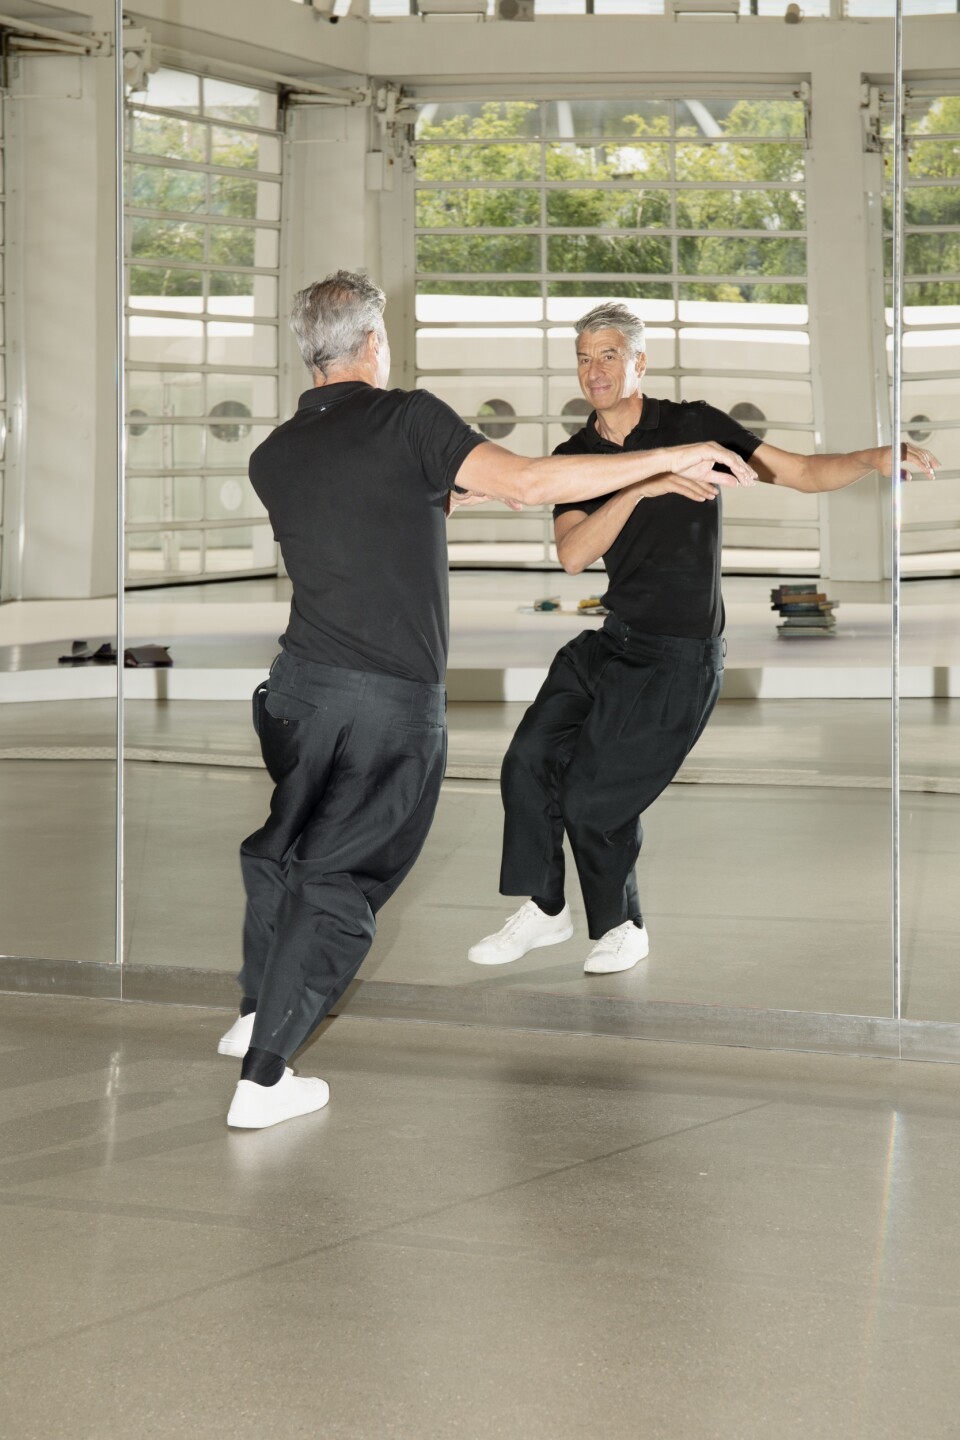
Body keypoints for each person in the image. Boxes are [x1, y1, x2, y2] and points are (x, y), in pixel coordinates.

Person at [218, 272, 759, 1129]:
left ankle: (256, 1004)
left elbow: (406, 499)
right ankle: (266, 1074)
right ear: (370, 344)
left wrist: (456, 491)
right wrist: (669, 459)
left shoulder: (273, 454)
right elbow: (531, 485)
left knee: (280, 850)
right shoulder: (410, 418)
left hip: (295, 698)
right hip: (385, 707)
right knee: (342, 879)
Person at [468, 300, 940, 977]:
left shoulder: (694, 426)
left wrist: (870, 456)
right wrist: (648, 484)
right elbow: (574, 554)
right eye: (583, 358)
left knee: (594, 800)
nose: (594, 371)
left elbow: (801, 472)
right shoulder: (577, 455)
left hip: (679, 660)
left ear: (638, 361)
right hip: (611, 643)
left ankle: (623, 926)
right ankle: (547, 909)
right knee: (527, 760)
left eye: (607, 355)